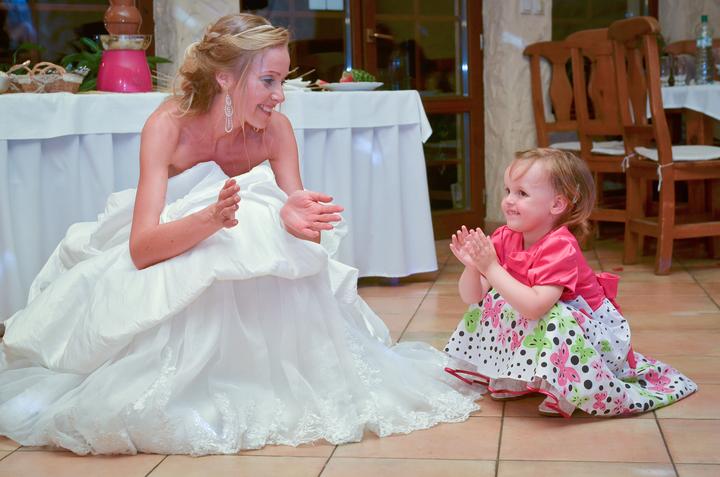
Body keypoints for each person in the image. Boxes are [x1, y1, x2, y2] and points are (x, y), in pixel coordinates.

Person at [0, 14, 480, 455]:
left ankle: (256, 372)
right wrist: (210, 219)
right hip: (174, 248)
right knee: (241, 217)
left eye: (283, 80)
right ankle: (198, 373)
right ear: (224, 78)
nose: (279, 95)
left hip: (251, 279)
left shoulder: (276, 131)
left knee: (259, 210)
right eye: (268, 80)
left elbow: (305, 244)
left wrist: (293, 218)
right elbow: (142, 249)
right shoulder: (167, 127)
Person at [443, 148, 697, 417]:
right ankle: (516, 375)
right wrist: (473, 268)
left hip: (597, 341)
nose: (509, 200)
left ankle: (570, 389)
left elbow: (534, 307)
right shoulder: (505, 236)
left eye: (522, 193)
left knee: (554, 315)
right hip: (557, 329)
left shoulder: (560, 246)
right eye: (508, 191)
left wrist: (491, 267)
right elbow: (473, 298)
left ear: (557, 205)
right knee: (496, 300)